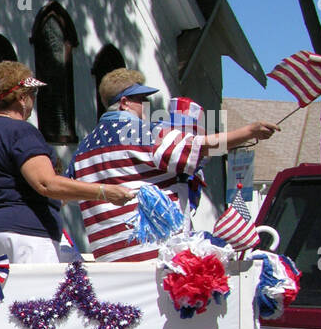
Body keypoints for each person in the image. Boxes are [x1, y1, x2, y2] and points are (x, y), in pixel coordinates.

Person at [70, 69, 278, 261]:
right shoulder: (139, 132)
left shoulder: (82, 149)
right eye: (142, 99)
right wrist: (249, 132)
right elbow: (200, 146)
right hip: (154, 255)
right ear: (125, 102)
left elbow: (68, 194)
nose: (146, 105)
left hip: (109, 258)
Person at [0, 61, 133, 263]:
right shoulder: (21, 130)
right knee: (36, 295)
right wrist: (105, 192)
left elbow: (13, 185)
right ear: (21, 98)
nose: (34, 100)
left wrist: (70, 193)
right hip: (25, 235)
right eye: (33, 94)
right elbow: (45, 183)